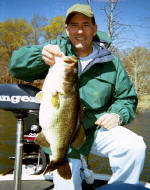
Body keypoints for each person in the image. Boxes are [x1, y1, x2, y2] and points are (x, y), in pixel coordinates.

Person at [9, 3, 146, 190]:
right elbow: (16, 66)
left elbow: (127, 98)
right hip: (62, 137)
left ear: (94, 29)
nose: (79, 31)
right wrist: (39, 55)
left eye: (85, 25)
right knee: (66, 185)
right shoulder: (56, 51)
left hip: (95, 129)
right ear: (67, 29)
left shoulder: (111, 62)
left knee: (134, 146)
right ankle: (62, 162)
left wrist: (117, 114)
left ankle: (120, 187)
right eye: (74, 25)